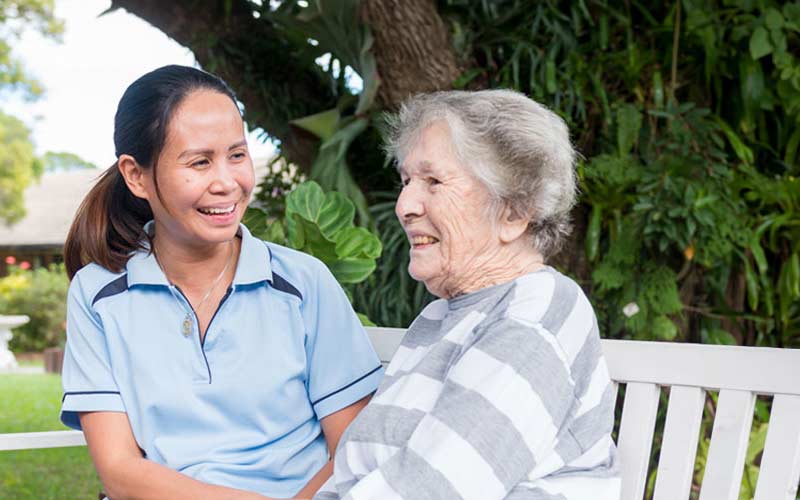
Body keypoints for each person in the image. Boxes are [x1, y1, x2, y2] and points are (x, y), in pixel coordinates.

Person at [60, 65, 383, 500]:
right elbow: (119, 471)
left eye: (237, 155)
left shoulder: (305, 283)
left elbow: (352, 452)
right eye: (199, 162)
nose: (228, 183)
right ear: (136, 175)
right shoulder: (97, 295)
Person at [314, 90, 620, 499]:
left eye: (433, 181)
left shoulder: (537, 313)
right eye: (406, 181)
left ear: (514, 212)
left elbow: (437, 488)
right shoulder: (444, 317)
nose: (404, 204)